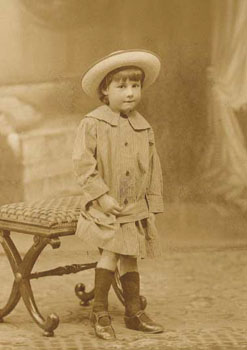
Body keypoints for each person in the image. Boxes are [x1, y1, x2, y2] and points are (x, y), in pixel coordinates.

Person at [72, 49, 164, 340]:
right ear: (104, 90)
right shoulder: (93, 123)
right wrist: (101, 196)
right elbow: (83, 164)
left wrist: (152, 203)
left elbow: (152, 167)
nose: (129, 93)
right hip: (106, 207)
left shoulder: (143, 126)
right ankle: (99, 311)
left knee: (130, 257)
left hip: (133, 206)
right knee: (111, 252)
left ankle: (133, 312)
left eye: (135, 86)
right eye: (121, 86)